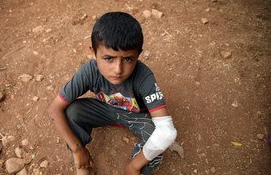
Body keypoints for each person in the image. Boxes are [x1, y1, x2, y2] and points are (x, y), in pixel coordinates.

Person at [47, 11, 177, 175]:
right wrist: (77, 149)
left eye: (128, 59)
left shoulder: (144, 77)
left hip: (135, 117)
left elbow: (166, 132)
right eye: (109, 58)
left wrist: (134, 166)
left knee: (156, 143)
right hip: (105, 109)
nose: (118, 69)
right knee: (73, 110)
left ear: (138, 55)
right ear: (93, 53)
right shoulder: (89, 72)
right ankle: (82, 167)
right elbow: (54, 109)